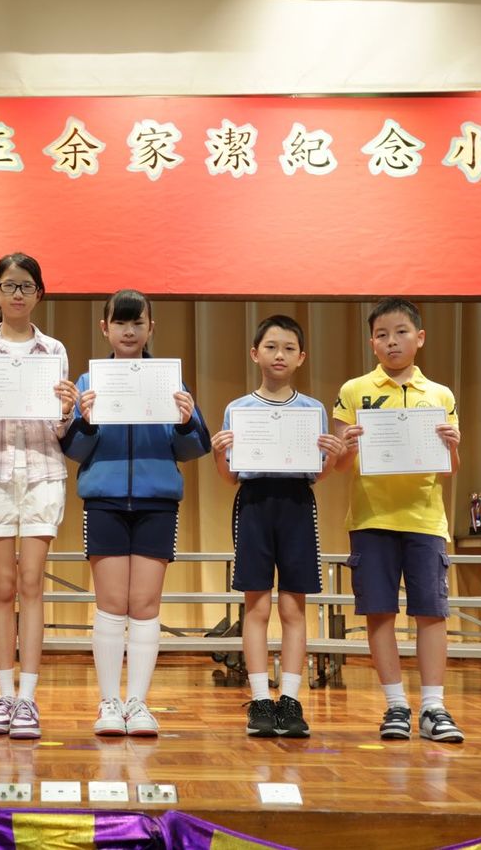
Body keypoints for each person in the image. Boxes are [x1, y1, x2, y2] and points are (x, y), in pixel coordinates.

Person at [61, 289, 211, 737]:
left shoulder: (170, 380)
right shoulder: (89, 381)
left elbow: (193, 448)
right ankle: (109, 702)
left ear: (150, 328)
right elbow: (73, 449)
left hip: (156, 502)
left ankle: (138, 704)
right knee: (110, 604)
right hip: (104, 500)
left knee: (145, 605)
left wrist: (186, 420)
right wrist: (85, 421)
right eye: (120, 323)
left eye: (137, 322)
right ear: (104, 328)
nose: (129, 331)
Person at [331, 298, 464, 743]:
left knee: (431, 612)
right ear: (372, 342)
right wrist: (347, 446)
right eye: (382, 334)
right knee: (379, 612)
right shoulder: (354, 391)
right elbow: (339, 465)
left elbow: (450, 469)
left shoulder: (439, 395)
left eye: (401, 332)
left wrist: (452, 445)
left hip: (425, 519)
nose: (392, 341)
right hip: (371, 518)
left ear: (419, 338)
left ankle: (433, 707)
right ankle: (395, 705)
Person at [0, 253, 78, 740]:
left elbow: (60, 428)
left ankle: (28, 697)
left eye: (26, 286)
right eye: (9, 285)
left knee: (32, 584)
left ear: (39, 294)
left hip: (43, 471)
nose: (17, 294)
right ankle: (4, 693)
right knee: (2, 586)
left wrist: (67, 409)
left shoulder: (54, 350)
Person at [210, 315, 343, 739]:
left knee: (292, 606)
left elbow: (318, 474)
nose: (279, 355)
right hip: (253, 503)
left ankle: (289, 699)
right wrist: (218, 454)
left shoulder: (312, 410)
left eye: (288, 348)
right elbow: (230, 476)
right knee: (256, 606)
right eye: (271, 347)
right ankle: (259, 699)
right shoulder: (238, 409)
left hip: (297, 504)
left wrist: (332, 457)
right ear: (255, 354)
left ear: (301, 357)